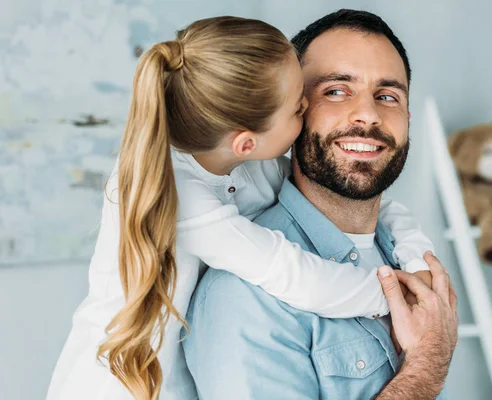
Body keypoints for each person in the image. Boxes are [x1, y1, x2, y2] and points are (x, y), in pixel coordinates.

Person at [47, 15, 436, 400]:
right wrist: (399, 301)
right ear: (247, 142)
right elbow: (291, 273)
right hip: (119, 385)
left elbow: (379, 207)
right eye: (309, 104)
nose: (366, 114)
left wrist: (419, 263)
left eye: (387, 96)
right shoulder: (182, 196)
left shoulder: (252, 164)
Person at [182, 9, 458, 399]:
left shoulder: (403, 256)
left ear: (407, 117)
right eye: (335, 91)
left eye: (387, 96)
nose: (368, 113)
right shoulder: (245, 295)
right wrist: (428, 365)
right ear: (293, 111)